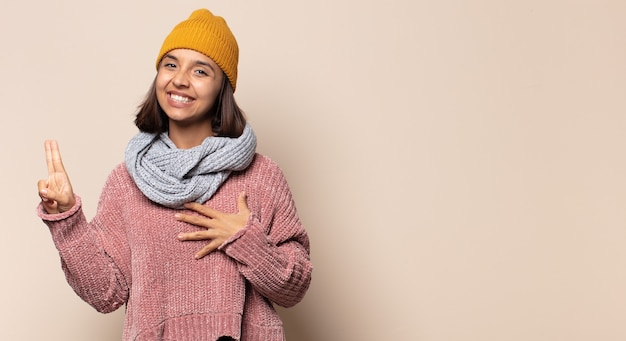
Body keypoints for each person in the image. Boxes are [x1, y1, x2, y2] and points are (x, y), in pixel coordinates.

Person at [36, 8, 312, 341]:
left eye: (200, 70)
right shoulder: (126, 181)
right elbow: (105, 293)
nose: (179, 79)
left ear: (222, 87)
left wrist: (246, 239)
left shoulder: (261, 176)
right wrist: (66, 218)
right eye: (170, 64)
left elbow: (293, 289)